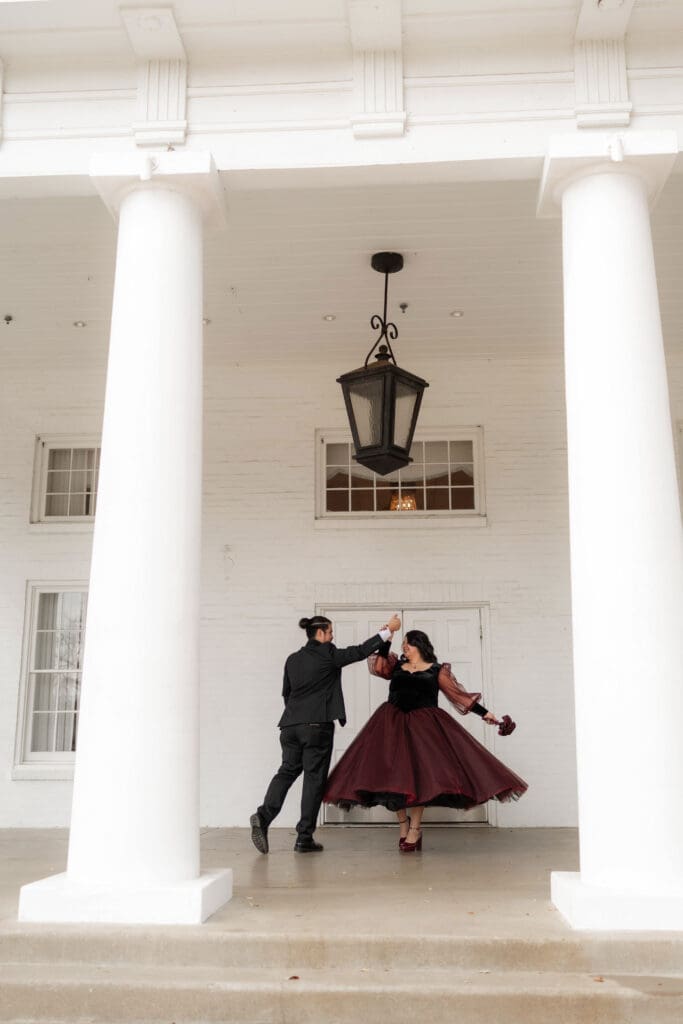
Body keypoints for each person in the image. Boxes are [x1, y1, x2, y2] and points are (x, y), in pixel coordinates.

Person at [324, 629, 527, 852]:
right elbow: (380, 666)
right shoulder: (397, 666)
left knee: (419, 780)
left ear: (419, 645)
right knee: (390, 779)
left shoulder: (437, 671)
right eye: (402, 645)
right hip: (391, 725)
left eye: (407, 645)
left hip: (424, 730)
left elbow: (458, 696)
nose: (404, 648)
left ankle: (415, 830)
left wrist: (485, 714)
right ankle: (403, 825)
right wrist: (386, 641)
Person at [250, 612, 401, 854]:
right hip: (317, 727)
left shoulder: (292, 659)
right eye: (330, 632)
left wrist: (298, 716)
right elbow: (360, 651)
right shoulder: (328, 654)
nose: (332, 636)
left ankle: (263, 816)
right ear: (320, 633)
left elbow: (286, 693)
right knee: (313, 780)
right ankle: (304, 837)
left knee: (287, 770)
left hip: (290, 726)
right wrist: (388, 631)